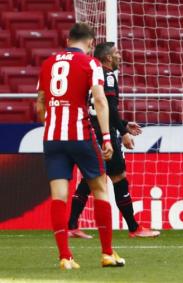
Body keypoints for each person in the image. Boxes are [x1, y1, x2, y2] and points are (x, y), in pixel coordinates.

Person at [36, 23, 125, 269]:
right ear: (91, 43)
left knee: (59, 196)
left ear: (67, 40)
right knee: (100, 189)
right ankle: (107, 254)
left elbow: (41, 103)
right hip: (80, 135)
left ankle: (65, 257)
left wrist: (54, 122)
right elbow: (99, 99)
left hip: (52, 138)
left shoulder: (48, 63)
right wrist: (107, 137)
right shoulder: (91, 63)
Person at [68, 42, 160, 239]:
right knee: (119, 178)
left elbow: (96, 107)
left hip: (90, 132)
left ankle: (71, 224)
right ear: (108, 58)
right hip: (105, 133)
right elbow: (108, 108)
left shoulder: (91, 75)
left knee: (91, 178)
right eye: (116, 53)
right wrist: (122, 131)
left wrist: (124, 124)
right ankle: (134, 228)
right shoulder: (107, 76)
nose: (119, 56)